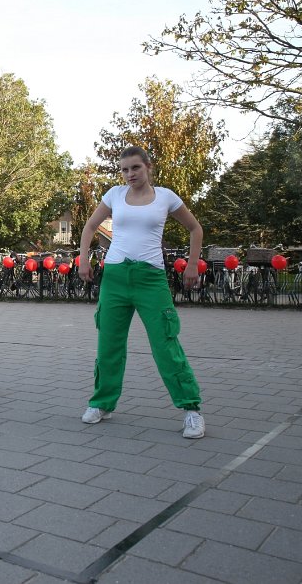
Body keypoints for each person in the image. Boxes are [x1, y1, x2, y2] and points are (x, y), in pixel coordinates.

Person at [77, 145, 206, 439]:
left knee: (165, 343)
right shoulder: (114, 195)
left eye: (135, 168)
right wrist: (84, 259)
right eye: (124, 169)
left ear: (148, 166)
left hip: (151, 279)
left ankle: (191, 410)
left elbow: (195, 229)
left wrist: (192, 265)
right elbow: (90, 226)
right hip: (115, 277)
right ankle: (102, 403)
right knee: (109, 345)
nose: (129, 174)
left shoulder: (165, 197)